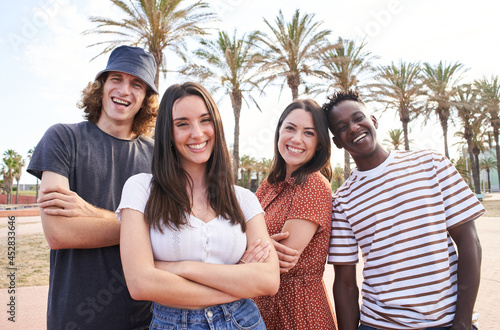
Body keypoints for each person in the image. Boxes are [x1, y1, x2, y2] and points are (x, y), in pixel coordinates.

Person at [116, 82, 280, 329]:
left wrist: (181, 267)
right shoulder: (141, 189)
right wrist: (238, 283)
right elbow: (141, 283)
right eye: (182, 124)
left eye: (205, 120)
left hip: (243, 321)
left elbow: (268, 280)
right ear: (167, 134)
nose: (197, 133)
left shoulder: (244, 199)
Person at [324, 89, 484, 330]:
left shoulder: (432, 163)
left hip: (447, 322)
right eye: (342, 126)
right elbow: (345, 283)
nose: (354, 128)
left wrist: (461, 322)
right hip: (379, 324)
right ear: (337, 141)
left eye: (358, 118)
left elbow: (469, 241)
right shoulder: (342, 199)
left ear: (373, 120)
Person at [27, 45, 159, 329]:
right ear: (101, 85)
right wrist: (144, 227)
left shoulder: (159, 155)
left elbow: (174, 229)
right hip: (75, 317)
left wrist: (90, 212)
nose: (124, 90)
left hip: (146, 319)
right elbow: (59, 233)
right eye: (116, 79)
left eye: (137, 84)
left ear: (146, 98)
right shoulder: (63, 138)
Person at [253, 99, 337, 329]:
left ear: (319, 143)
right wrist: (253, 247)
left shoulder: (314, 185)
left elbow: (281, 259)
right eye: (290, 128)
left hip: (299, 313)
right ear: (279, 130)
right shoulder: (269, 185)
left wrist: (246, 246)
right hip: (261, 308)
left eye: (308, 133)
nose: (296, 139)